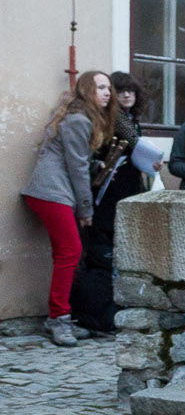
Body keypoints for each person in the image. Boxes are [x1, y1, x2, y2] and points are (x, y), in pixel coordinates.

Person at [22, 71, 115, 347]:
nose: (107, 93)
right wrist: (86, 209)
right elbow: (76, 169)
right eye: (100, 87)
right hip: (51, 193)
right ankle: (58, 318)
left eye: (108, 87)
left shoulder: (79, 117)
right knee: (71, 251)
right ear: (87, 90)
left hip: (52, 192)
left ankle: (59, 315)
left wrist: (94, 165)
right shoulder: (78, 120)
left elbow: (76, 160)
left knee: (64, 253)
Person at [77, 72, 153, 334]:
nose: (126, 95)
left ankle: (108, 313)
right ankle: (97, 315)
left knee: (115, 255)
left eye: (130, 91)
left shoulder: (126, 120)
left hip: (126, 191)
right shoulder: (115, 120)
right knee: (102, 254)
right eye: (120, 91)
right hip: (107, 195)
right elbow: (134, 144)